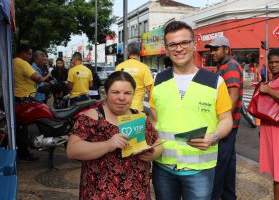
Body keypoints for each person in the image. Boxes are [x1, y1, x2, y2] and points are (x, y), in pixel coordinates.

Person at [150, 21, 233, 200]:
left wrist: (214, 137)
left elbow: (226, 119)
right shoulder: (158, 81)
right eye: (173, 44)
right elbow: (154, 121)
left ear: (194, 44)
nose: (179, 48)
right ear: (166, 48)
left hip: (200, 169)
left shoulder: (215, 82)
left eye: (184, 43)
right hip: (163, 167)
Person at [66, 71, 163, 199]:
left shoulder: (138, 117)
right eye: (115, 92)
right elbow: (72, 150)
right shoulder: (92, 117)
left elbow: (157, 142)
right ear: (106, 93)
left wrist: (152, 153)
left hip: (137, 192)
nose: (121, 98)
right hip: (101, 193)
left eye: (127, 93)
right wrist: (108, 144)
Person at [205, 35, 243, 200]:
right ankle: (228, 196)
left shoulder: (230, 67)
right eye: (211, 49)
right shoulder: (224, 66)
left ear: (227, 50)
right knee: (227, 165)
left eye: (216, 49)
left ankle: (215, 196)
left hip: (227, 127)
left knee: (219, 166)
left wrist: (222, 122)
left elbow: (232, 96)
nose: (212, 53)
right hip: (229, 126)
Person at [13, 44, 49, 161]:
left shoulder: (13, 62)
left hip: (17, 98)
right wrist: (47, 76)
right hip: (25, 99)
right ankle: (25, 151)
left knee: (19, 127)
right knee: (28, 126)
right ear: (23, 53)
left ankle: (23, 152)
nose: (30, 56)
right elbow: (38, 78)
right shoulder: (22, 63)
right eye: (29, 54)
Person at [259, 48, 279, 200]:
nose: (273, 65)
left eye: (277, 62)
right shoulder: (275, 78)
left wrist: (269, 91)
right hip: (273, 130)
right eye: (271, 62)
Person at [115, 41, 154, 112]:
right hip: (137, 109)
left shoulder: (119, 67)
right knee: (138, 123)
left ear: (127, 53)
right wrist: (152, 108)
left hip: (121, 107)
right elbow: (149, 90)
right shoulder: (144, 68)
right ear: (140, 52)